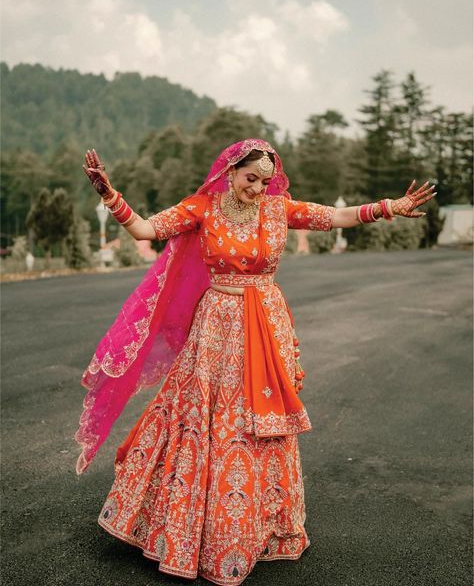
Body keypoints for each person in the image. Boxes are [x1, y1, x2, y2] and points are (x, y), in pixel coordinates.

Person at [76, 139, 435, 585]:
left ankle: (257, 525)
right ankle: (189, 530)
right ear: (230, 172)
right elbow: (147, 230)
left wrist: (387, 207)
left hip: (264, 324)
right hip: (215, 329)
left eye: (266, 181)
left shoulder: (277, 209)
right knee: (206, 416)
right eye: (251, 178)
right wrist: (111, 197)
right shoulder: (202, 207)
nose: (259, 188)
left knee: (257, 420)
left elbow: (333, 215)